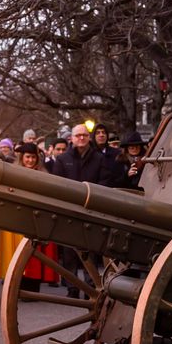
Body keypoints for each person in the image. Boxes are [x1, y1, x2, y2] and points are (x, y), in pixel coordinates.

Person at [50, 124, 115, 297]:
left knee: (90, 252)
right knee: (69, 253)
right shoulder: (63, 159)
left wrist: (92, 198)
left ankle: (91, 287)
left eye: (84, 135)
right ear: (71, 138)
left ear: (89, 138)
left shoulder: (99, 159)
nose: (81, 138)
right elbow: (57, 184)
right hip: (69, 211)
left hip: (91, 210)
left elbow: (105, 182)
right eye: (78, 135)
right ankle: (72, 289)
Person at [0, 142, 60, 292]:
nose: (30, 160)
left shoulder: (44, 175)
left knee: (34, 253)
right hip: (17, 217)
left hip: (35, 218)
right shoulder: (13, 173)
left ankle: (33, 286)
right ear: (22, 157)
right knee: (17, 252)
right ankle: (17, 285)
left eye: (33, 157)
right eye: (28, 157)